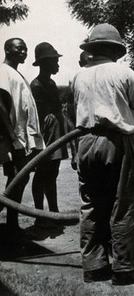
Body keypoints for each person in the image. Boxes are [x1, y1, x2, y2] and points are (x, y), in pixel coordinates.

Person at [72, 23, 134, 285]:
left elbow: (71, 111)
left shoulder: (77, 77)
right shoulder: (124, 73)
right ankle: (124, 269)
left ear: (93, 49)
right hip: (116, 141)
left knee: (91, 205)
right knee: (124, 203)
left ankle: (94, 267)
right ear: (113, 48)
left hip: (85, 141)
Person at [0, 38, 45, 233]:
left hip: (20, 136)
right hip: (13, 137)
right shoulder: (3, 72)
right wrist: (12, 136)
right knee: (17, 177)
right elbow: (0, 105)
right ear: (7, 50)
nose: (24, 52)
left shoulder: (15, 73)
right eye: (19, 48)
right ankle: (11, 225)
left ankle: (12, 223)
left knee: (19, 178)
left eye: (26, 49)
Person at [30, 43, 68, 226]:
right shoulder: (37, 86)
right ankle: (39, 215)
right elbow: (39, 116)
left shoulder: (51, 84)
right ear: (45, 63)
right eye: (55, 61)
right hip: (46, 134)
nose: (58, 64)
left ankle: (53, 212)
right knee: (42, 174)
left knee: (52, 173)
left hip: (56, 132)